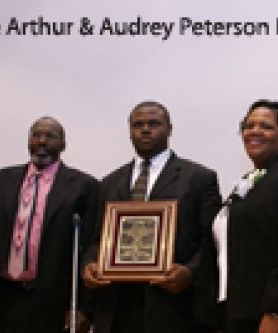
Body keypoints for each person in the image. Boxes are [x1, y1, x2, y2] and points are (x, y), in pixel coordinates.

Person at [83, 101, 222, 333]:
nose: (145, 129)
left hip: (175, 307)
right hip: (116, 308)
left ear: (170, 129)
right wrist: (89, 265)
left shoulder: (199, 178)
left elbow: (211, 239)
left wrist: (190, 272)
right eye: (138, 125)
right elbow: (96, 238)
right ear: (130, 132)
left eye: (154, 123)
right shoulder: (108, 183)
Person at [0, 116, 98, 333]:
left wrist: (85, 308)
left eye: (50, 136)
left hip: (49, 300)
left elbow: (90, 248)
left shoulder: (84, 187)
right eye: (35, 135)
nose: (42, 141)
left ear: (63, 145)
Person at [193, 100, 278, 333]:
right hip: (232, 311)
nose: (254, 131)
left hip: (268, 315)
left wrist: (276, 310)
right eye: (249, 126)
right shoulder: (246, 183)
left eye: (266, 127)